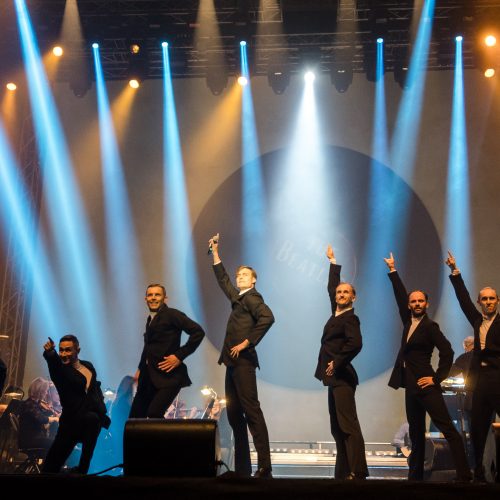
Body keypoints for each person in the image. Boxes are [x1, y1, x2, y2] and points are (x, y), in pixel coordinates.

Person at [384, 253, 471, 481]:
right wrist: (393, 271)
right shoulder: (407, 321)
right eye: (413, 302)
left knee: (448, 430)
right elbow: (399, 295)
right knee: (415, 432)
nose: (416, 304)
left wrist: (437, 378)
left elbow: (448, 351)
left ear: (427, 304)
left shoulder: (430, 326)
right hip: (411, 387)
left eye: (420, 301)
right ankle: (415, 477)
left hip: (426, 385)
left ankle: (463, 475)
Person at [208, 233, 275, 478]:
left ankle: (265, 467)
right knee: (235, 415)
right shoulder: (239, 298)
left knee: (251, 411)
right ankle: (243, 469)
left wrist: (247, 342)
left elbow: (268, 318)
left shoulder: (253, 298)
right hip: (232, 363)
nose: (239, 277)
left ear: (254, 281)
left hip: (244, 362)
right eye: (239, 274)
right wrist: (215, 254)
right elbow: (224, 281)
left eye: (245, 275)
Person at [314, 244, 368, 480]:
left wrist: (336, 362)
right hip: (333, 378)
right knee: (337, 427)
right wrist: (333, 262)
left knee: (348, 425)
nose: (340, 295)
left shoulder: (350, 318)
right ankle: (343, 472)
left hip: (342, 377)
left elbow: (355, 344)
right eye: (339, 293)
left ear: (353, 297)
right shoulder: (336, 313)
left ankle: (358, 471)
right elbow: (330, 288)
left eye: (346, 293)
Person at [446, 251, 500, 482]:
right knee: (477, 429)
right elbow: (463, 299)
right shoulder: (477, 321)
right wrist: (454, 271)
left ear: (497, 301)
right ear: (480, 303)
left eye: (492, 298)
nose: (488, 302)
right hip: (480, 382)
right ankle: (478, 472)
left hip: (498, 378)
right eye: (484, 299)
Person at [129, 284, 205, 418]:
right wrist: (140, 368)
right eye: (150, 295)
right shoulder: (151, 319)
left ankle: (167, 439)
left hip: (169, 377)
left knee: (154, 414)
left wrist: (179, 356)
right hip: (149, 376)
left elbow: (198, 332)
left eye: (157, 295)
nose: (153, 298)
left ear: (165, 299)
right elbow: (148, 346)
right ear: (145, 298)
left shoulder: (172, 314)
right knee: (135, 417)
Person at [42, 335, 110, 474]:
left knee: (84, 466)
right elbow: (54, 364)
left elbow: (95, 389)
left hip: (91, 423)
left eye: (68, 350)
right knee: (50, 469)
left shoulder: (88, 366)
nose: (63, 354)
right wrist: (50, 353)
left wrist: (101, 407)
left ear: (78, 350)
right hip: (70, 425)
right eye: (61, 350)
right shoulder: (61, 371)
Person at [18, 377, 59, 454]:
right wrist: (54, 419)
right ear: (40, 391)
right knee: (57, 444)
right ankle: (51, 465)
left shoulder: (35, 404)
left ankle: (48, 464)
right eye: (45, 391)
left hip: (33, 439)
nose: (46, 393)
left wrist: (53, 417)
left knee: (57, 442)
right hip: (29, 440)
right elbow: (42, 419)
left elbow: (43, 423)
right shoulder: (29, 404)